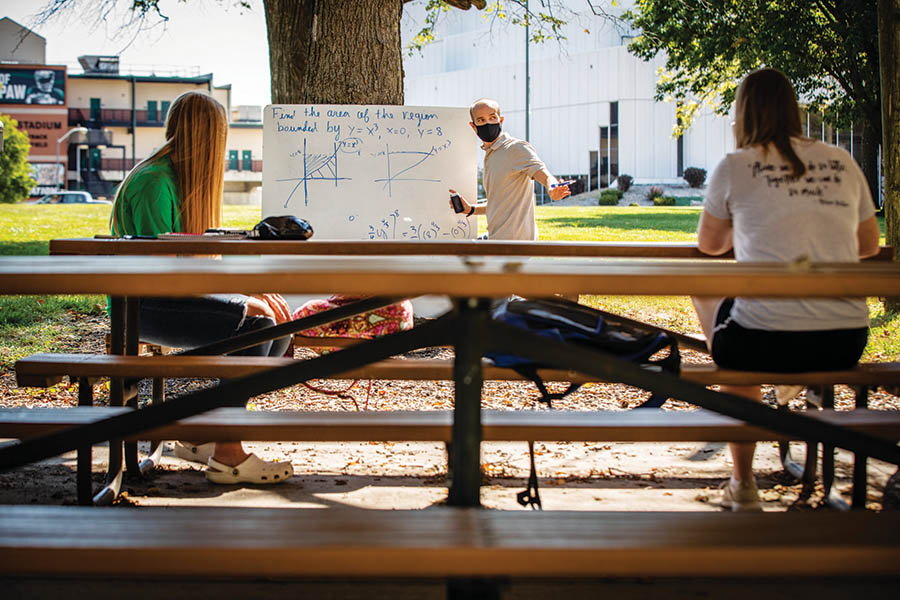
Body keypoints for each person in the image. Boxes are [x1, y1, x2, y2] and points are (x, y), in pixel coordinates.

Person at [691, 68, 881, 511]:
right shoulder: (841, 159)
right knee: (762, 320)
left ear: (743, 113)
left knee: (705, 292)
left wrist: (758, 231)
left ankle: (743, 485)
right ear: (793, 109)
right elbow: (869, 245)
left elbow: (710, 246)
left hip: (760, 344)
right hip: (843, 341)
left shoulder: (736, 165)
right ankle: (790, 379)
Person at [110, 90, 294, 485]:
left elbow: (190, 268)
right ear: (209, 138)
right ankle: (227, 454)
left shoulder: (177, 181)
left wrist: (249, 296)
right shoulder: (154, 185)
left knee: (278, 331)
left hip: (168, 299)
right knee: (257, 327)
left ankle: (202, 437)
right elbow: (164, 276)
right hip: (144, 306)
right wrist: (243, 303)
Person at [449, 98, 571, 240]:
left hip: (515, 244)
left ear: (500, 121)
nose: (488, 123)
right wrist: (471, 209)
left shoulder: (516, 148)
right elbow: (500, 203)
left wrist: (552, 187)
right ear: (473, 126)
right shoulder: (492, 154)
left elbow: (541, 171)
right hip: (498, 238)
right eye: (481, 120)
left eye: (492, 117)